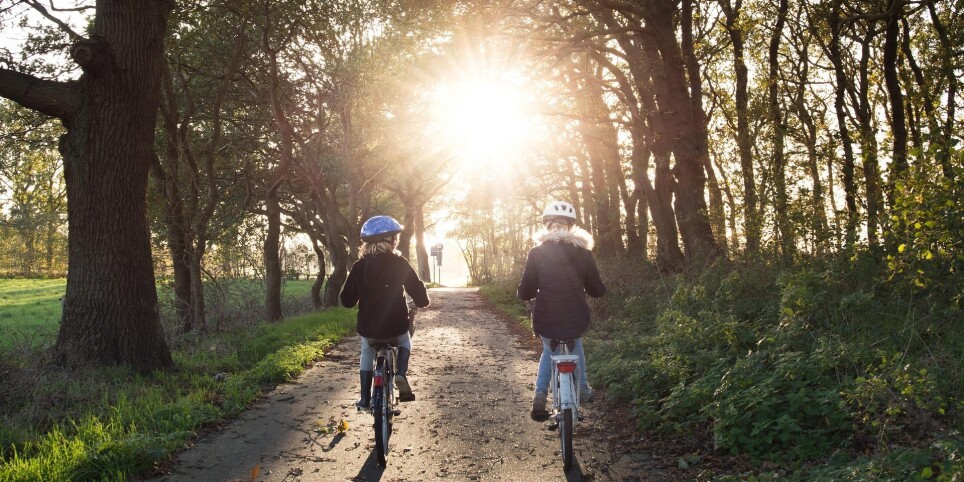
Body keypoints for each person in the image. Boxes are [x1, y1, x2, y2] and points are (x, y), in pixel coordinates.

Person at [517, 201, 607, 421]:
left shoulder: (537, 253)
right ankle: (582, 388)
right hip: (576, 315)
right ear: (571, 227)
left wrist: (526, 294)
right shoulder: (583, 253)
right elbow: (597, 290)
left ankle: (540, 395)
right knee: (576, 342)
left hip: (545, 316)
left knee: (549, 349)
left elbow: (525, 291)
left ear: (547, 226)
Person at [340, 215, 430, 409]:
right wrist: (421, 299)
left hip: (369, 329)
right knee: (405, 341)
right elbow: (420, 296)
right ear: (390, 240)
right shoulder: (400, 263)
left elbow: (346, 301)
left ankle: (365, 398)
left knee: (367, 350)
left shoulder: (359, 267)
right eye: (394, 237)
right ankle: (401, 374)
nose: (396, 240)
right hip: (396, 327)